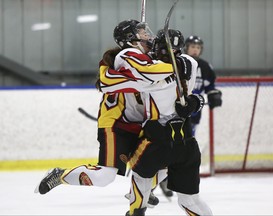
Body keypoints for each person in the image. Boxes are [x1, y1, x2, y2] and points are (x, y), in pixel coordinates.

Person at [34, 19, 174, 209]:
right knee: (103, 177)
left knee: (168, 161)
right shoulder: (128, 54)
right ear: (130, 38)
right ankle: (61, 175)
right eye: (143, 32)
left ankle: (141, 191)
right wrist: (178, 66)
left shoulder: (146, 56)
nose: (148, 35)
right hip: (117, 125)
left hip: (139, 124)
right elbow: (148, 72)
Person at [100, 28, 212, 216]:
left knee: (138, 174)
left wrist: (128, 55)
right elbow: (193, 94)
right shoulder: (190, 63)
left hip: (157, 142)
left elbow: (107, 83)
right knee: (191, 200)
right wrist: (195, 102)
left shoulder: (149, 73)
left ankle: (136, 210)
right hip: (187, 144)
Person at [184, 35, 222, 136]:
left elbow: (210, 86)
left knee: (190, 138)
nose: (195, 50)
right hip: (177, 108)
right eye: (192, 47)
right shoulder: (179, 63)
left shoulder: (205, 67)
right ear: (186, 48)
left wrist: (213, 94)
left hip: (195, 110)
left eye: (198, 47)